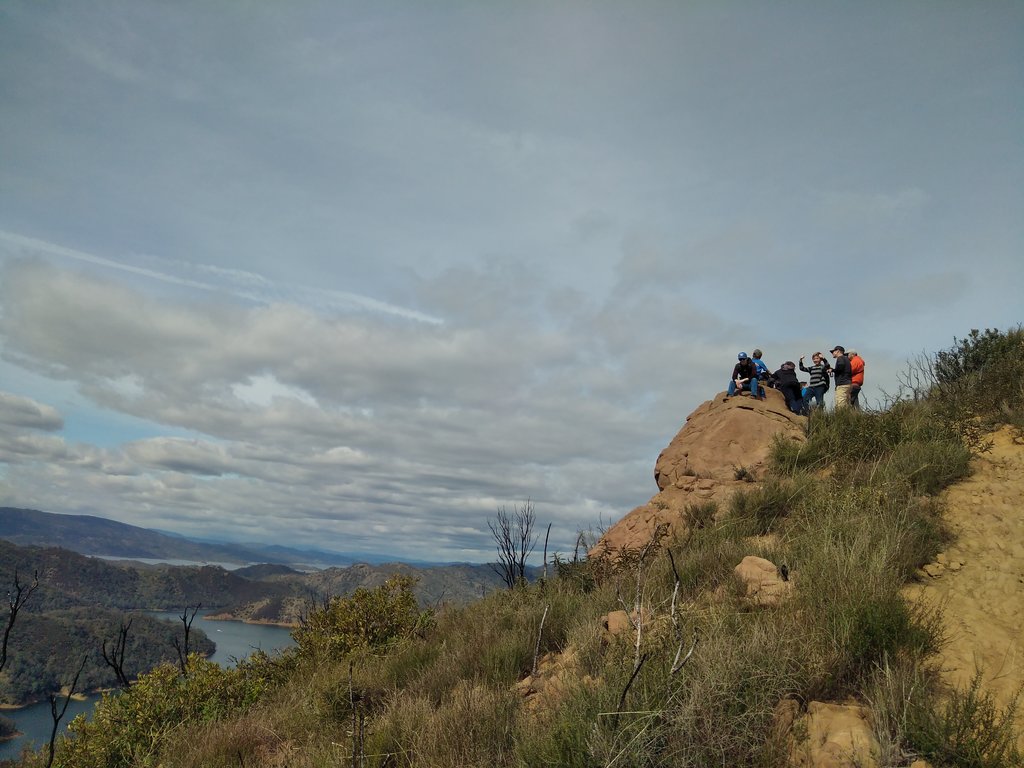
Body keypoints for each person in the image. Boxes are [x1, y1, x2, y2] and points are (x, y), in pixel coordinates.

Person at [831, 345, 852, 410]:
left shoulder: (840, 358)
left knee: (840, 404)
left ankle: (841, 418)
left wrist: (832, 370)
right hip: (848, 383)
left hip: (842, 384)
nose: (832, 353)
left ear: (837, 351)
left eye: (833, 351)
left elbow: (840, 366)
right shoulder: (846, 359)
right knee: (847, 404)